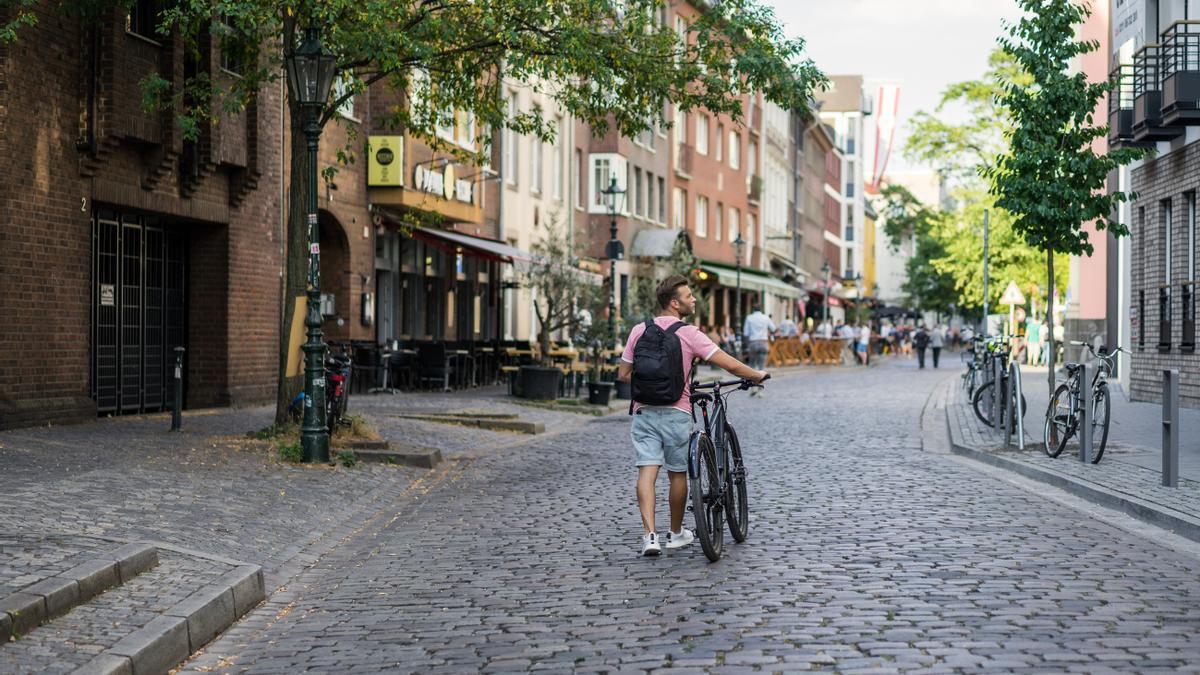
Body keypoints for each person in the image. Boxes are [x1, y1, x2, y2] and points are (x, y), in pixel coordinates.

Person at [618, 276, 768, 557]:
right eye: (689, 296)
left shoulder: (639, 331)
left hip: (644, 411)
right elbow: (729, 364)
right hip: (677, 411)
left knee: (646, 471)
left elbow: (623, 374)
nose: (694, 299)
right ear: (674, 303)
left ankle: (649, 537)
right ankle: (675, 534)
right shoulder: (689, 333)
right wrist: (756, 374)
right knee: (678, 474)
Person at [742, 303, 776, 387]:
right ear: (761, 309)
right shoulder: (766, 317)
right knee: (761, 368)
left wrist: (747, 344)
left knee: (752, 366)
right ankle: (760, 389)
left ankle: (753, 387)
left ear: (753, 309)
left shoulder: (749, 318)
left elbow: (746, 333)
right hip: (763, 342)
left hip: (753, 342)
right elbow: (773, 329)